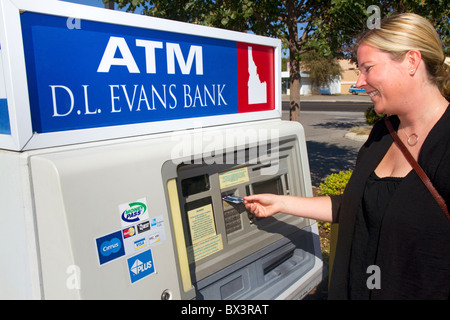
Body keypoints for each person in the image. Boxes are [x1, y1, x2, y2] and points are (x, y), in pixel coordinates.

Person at [244, 13, 450, 300]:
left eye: (367, 68)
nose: (360, 82)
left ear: (412, 61)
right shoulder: (382, 134)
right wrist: (280, 202)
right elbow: (356, 207)